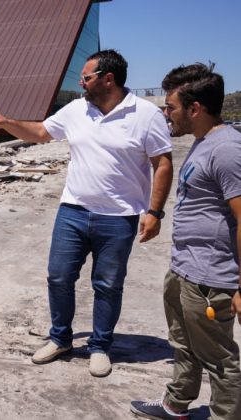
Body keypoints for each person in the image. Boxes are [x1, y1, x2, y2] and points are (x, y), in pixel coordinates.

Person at [0, 49, 174, 377]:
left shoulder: (145, 114)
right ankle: (60, 339)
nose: (81, 83)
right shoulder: (77, 110)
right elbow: (41, 133)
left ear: (107, 79)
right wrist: (6, 123)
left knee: (108, 284)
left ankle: (100, 346)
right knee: (58, 277)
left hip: (119, 217)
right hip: (73, 211)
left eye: (86, 77)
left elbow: (162, 162)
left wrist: (154, 212)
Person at [130, 64, 241, 419]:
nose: (166, 114)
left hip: (211, 277)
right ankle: (176, 405)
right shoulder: (203, 143)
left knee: (219, 358)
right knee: (183, 345)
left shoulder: (227, 150)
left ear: (195, 109)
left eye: (171, 107)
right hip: (186, 269)